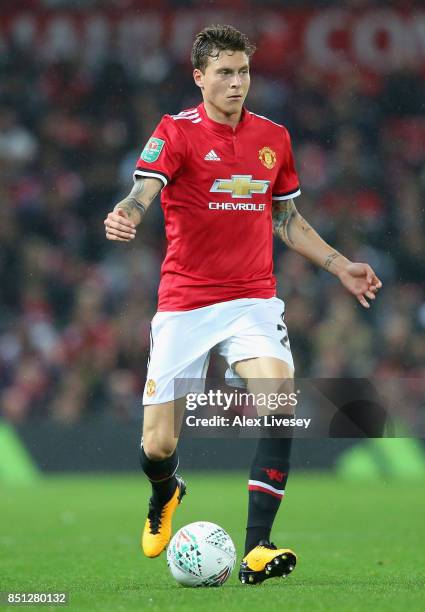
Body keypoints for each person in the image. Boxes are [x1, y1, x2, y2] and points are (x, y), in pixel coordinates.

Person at [104, 24, 382, 585]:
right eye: (225, 73)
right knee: (158, 444)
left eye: (244, 72)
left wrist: (339, 265)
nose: (237, 83)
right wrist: (127, 214)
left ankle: (258, 547)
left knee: (279, 402)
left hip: (252, 299)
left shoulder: (273, 137)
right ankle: (166, 491)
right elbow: (142, 191)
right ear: (199, 76)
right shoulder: (174, 132)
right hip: (184, 302)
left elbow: (286, 219)